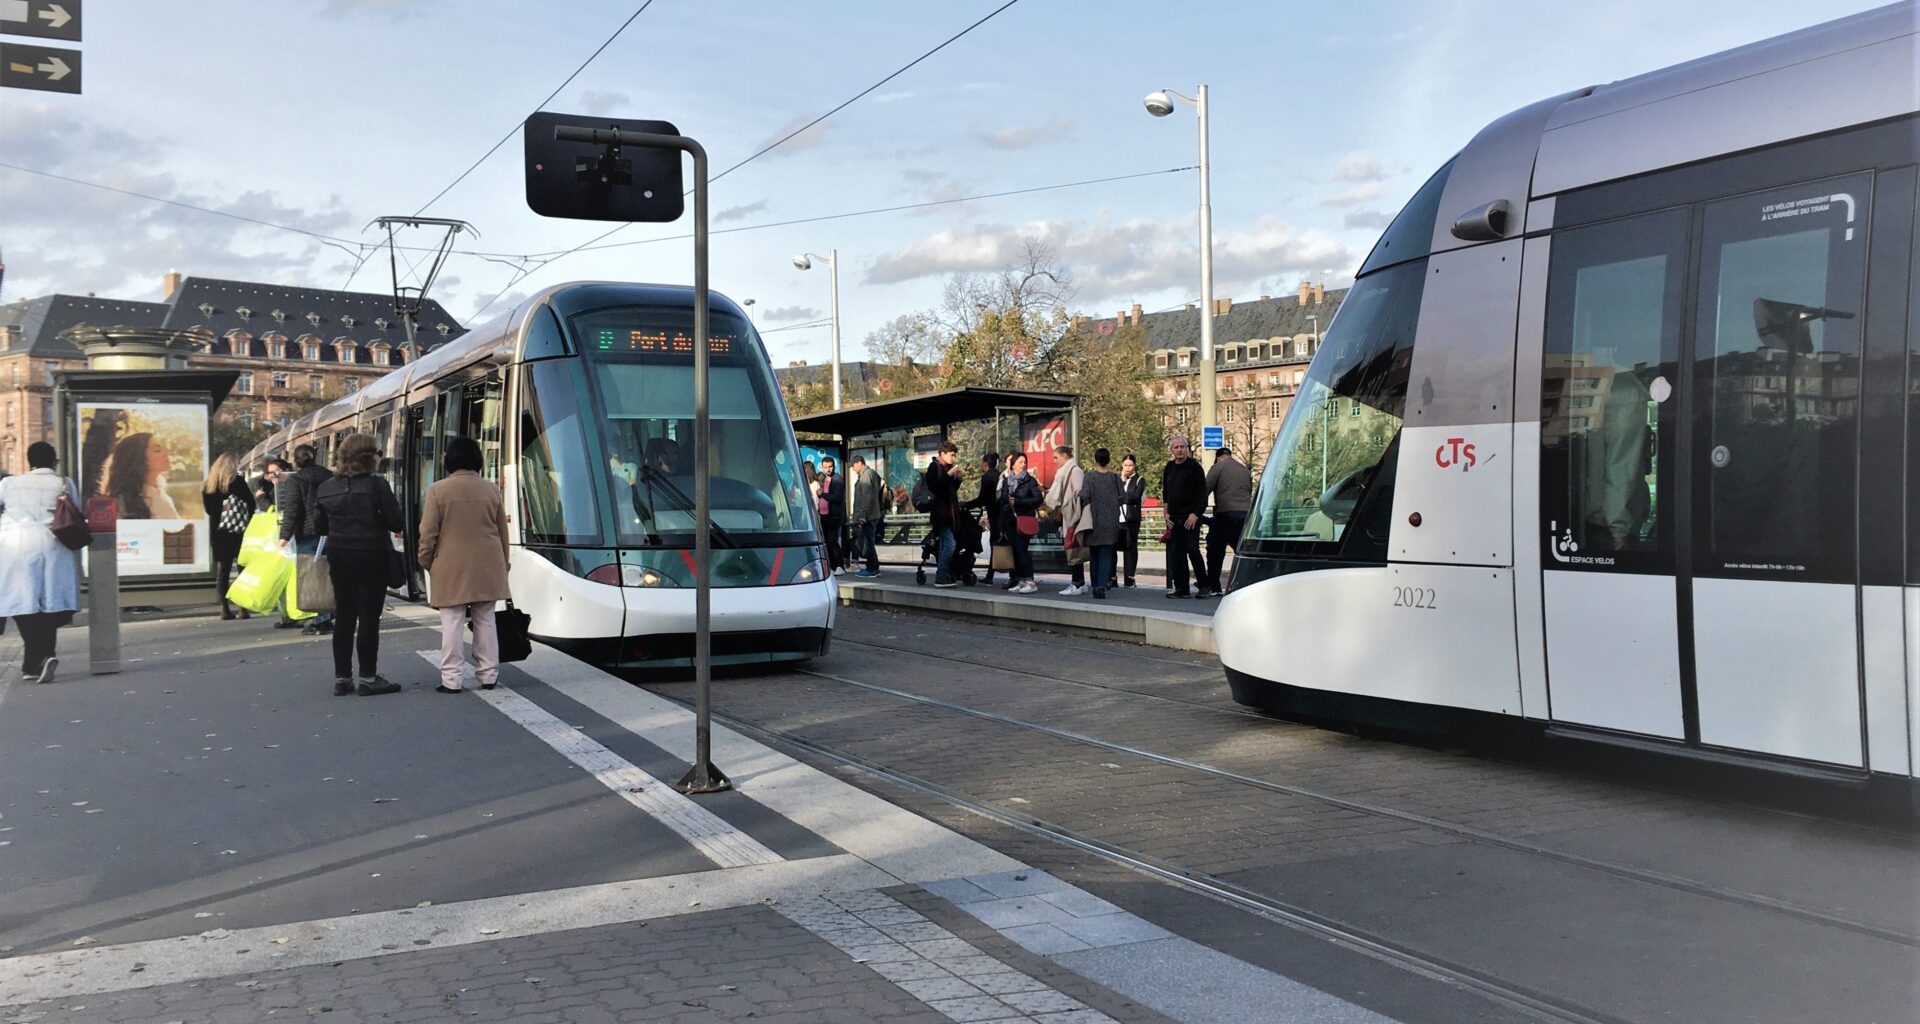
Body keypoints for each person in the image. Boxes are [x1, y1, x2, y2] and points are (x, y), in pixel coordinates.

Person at [311, 434, 403, 696]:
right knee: (369, 618)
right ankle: (368, 677)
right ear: (369, 456)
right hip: (372, 556)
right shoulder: (377, 486)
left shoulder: (327, 487)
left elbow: (319, 526)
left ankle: (342, 678)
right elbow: (396, 522)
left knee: (344, 617)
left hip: (340, 556)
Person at [418, 436, 511, 694]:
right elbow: (503, 532)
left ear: (449, 460)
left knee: (452, 622)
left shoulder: (438, 490)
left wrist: (428, 562)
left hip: (450, 565)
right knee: (485, 619)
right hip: (488, 564)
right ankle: (489, 674)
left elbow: (428, 534)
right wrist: (503, 563)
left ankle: (451, 679)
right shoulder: (491, 489)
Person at [0, 443, 82, 683]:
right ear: (54, 460)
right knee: (50, 602)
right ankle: (42, 657)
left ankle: (37, 661)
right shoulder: (64, 483)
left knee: (21, 603)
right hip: (54, 543)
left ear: (28, 460)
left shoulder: (8, 483)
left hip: (15, 544)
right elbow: (74, 509)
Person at [277, 444, 334, 634]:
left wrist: (284, 537)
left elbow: (292, 512)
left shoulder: (295, 481)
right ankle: (329, 616)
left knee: (312, 577)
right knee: (329, 575)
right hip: (331, 533)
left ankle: (320, 620)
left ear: (296, 460)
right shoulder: (329, 476)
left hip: (308, 535)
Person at [202, 452, 256, 620]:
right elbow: (251, 505)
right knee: (242, 570)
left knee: (223, 570)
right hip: (239, 531)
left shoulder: (208, 485)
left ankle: (224, 608)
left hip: (219, 532)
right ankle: (242, 607)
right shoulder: (238, 482)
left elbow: (209, 511)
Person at [1202, 446, 1253, 597]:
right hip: (1245, 514)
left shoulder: (1218, 467)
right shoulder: (1245, 470)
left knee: (1215, 550)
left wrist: (1196, 511)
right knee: (1241, 549)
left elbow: (1205, 489)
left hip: (1225, 513)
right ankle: (1245, 583)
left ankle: (1214, 585)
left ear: (1218, 458)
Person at [1161, 435, 1207, 599]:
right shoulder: (1169, 467)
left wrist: (1195, 514)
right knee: (1176, 553)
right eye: (1176, 447)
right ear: (1171, 450)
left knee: (1193, 550)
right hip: (1174, 517)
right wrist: (1166, 513)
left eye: (1182, 447)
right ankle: (1181, 588)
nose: (1179, 450)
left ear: (1187, 448)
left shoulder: (1194, 467)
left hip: (1190, 517)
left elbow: (1202, 494)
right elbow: (1166, 493)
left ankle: (1204, 585)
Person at [1043, 445, 1091, 596]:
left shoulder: (1074, 471)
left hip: (1073, 516)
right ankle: (1079, 582)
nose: (1054, 461)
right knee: (1073, 548)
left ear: (1064, 456)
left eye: (1056, 457)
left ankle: (1076, 583)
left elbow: (1079, 494)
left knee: (1073, 549)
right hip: (1069, 515)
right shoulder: (1066, 471)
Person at [1077, 448, 1123, 600]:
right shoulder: (1114, 478)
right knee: (1106, 555)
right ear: (1109, 460)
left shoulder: (1089, 477)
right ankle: (1102, 586)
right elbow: (1123, 497)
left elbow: (1084, 496)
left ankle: (1095, 585)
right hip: (1111, 521)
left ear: (1095, 460)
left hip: (1093, 520)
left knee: (1094, 555)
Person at [105, 432, 179, 519]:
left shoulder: (163, 496)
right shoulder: (122, 504)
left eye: (164, 449)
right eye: (157, 450)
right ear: (137, 458)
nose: (166, 453)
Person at [998, 452, 1043, 594]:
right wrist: (1002, 524)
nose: (1023, 465)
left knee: (1022, 549)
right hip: (1010, 519)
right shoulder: (1006, 481)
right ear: (1013, 465)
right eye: (1020, 462)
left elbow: (1038, 499)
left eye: (1025, 462)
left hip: (1023, 518)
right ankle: (1020, 579)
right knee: (1015, 550)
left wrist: (1019, 502)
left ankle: (1029, 580)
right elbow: (1002, 501)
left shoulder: (1029, 481)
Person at [923, 441, 964, 587]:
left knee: (944, 545)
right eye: (951, 455)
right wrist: (948, 475)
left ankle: (943, 574)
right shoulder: (935, 466)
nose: (953, 458)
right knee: (950, 544)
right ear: (943, 454)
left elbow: (950, 490)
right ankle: (941, 576)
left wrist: (957, 479)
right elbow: (933, 486)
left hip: (949, 512)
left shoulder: (948, 468)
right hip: (940, 512)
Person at [962, 453, 1002, 586]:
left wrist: (966, 505)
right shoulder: (1000, 475)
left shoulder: (987, 477)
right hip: (1002, 515)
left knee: (994, 545)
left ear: (985, 464)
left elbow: (982, 499)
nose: (980, 465)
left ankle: (990, 576)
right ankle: (993, 575)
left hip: (995, 516)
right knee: (1001, 544)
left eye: (981, 463)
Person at [848, 455, 885, 577]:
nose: (853, 469)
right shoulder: (873, 474)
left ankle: (872, 568)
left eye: (853, 465)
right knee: (868, 542)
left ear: (859, 463)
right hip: (873, 514)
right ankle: (872, 567)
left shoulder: (865, 475)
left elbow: (866, 496)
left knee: (868, 542)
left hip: (868, 516)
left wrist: (862, 515)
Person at [1115, 454, 1145, 588]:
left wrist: (1123, 497)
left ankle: (1129, 577)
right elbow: (1114, 495)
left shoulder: (1139, 480)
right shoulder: (1117, 479)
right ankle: (1112, 577)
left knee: (1130, 546)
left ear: (1134, 465)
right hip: (1117, 517)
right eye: (1125, 465)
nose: (1127, 468)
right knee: (1113, 546)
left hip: (1131, 518)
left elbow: (1135, 497)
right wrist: (1122, 480)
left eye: (1130, 465)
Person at [817, 456, 847, 575]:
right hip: (824, 514)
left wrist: (822, 494)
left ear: (834, 466)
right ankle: (833, 566)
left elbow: (837, 497)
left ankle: (839, 565)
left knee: (832, 541)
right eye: (825, 467)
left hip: (833, 516)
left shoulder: (837, 479)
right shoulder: (825, 479)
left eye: (830, 467)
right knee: (828, 542)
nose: (828, 469)